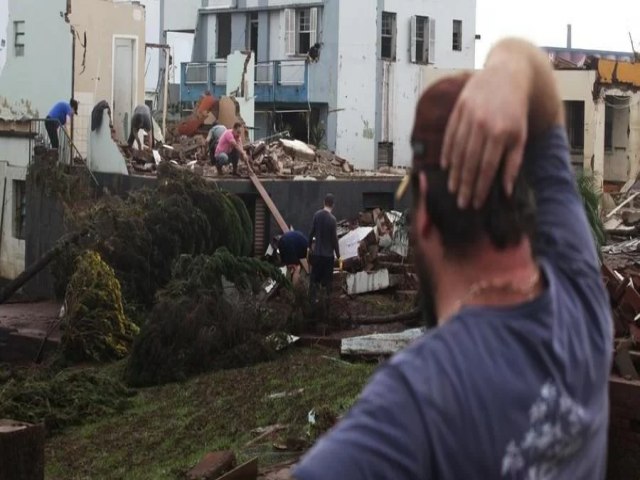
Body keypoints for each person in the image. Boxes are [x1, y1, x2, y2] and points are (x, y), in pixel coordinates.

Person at [293, 38, 612, 479]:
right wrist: (506, 73)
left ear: (424, 223)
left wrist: (502, 74)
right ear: (527, 196)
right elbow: (543, 98)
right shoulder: (581, 303)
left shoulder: (417, 405)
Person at [307, 194, 340, 313]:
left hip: (317, 255)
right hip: (328, 257)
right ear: (333, 205)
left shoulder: (316, 215)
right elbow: (334, 240)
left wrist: (309, 246)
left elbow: (311, 232)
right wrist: (338, 255)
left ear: (323, 202)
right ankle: (326, 307)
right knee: (327, 283)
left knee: (314, 280)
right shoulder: (332, 220)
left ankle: (311, 304)